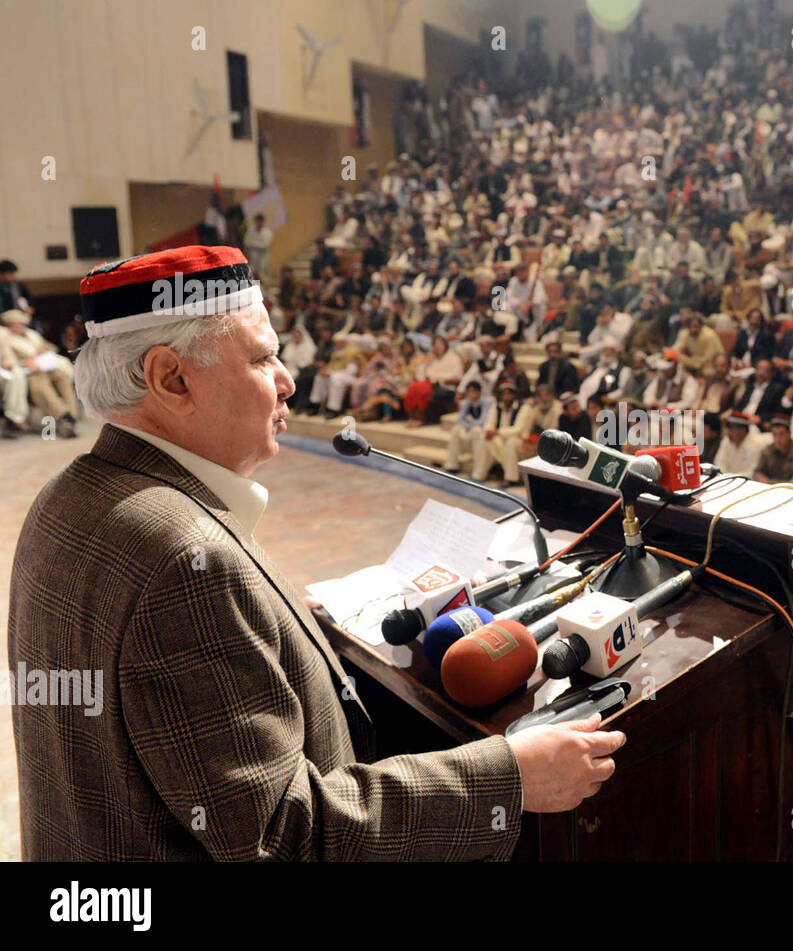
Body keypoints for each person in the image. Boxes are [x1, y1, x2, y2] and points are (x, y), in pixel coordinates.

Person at [10, 246, 621, 861]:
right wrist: (509, 778)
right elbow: (281, 838)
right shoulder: (183, 561)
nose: (288, 379)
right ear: (173, 379)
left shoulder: (68, 496)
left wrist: (279, 634)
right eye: (262, 357)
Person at [0, 308, 79, 437]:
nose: (17, 326)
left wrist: (40, 358)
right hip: (28, 371)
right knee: (38, 381)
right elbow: (8, 358)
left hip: (44, 365)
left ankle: (71, 415)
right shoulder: (6, 338)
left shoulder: (31, 335)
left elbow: (49, 347)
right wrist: (26, 362)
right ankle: (63, 416)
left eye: (19, 323)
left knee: (62, 375)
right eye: (13, 324)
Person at [444, 380, 493, 477]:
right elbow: (460, 419)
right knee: (456, 429)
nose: (471, 394)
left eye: (474, 391)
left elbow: (483, 421)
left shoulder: (487, 402)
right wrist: (468, 425)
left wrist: (470, 424)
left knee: (476, 430)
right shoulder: (468, 402)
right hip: (471, 429)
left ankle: (478, 472)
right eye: (469, 392)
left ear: (479, 392)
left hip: (482, 431)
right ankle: (451, 465)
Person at [714, 411, 765, 478]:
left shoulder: (757, 444)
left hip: (746, 482)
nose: (728, 431)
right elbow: (720, 462)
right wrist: (723, 477)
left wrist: (732, 479)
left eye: (731, 428)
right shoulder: (726, 440)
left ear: (742, 429)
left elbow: (752, 470)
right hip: (726, 480)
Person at [754, 414, 793, 483]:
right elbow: (756, 472)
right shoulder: (767, 450)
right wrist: (760, 477)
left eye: (781, 434)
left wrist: (770, 482)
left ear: (789, 434)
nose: (778, 439)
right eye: (775, 435)